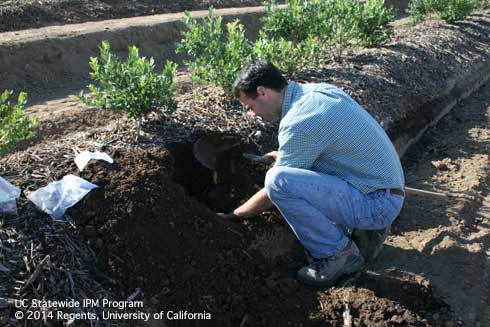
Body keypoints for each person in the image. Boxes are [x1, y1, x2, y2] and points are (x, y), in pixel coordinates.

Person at [218, 60, 405, 287]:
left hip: (376, 205)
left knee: (278, 181)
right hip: (384, 190)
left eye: (249, 107)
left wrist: (236, 215)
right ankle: (357, 232)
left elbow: (273, 190)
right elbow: (326, 148)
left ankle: (338, 255)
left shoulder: (298, 122)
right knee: (285, 175)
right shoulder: (318, 92)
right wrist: (282, 155)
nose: (251, 115)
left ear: (262, 92)